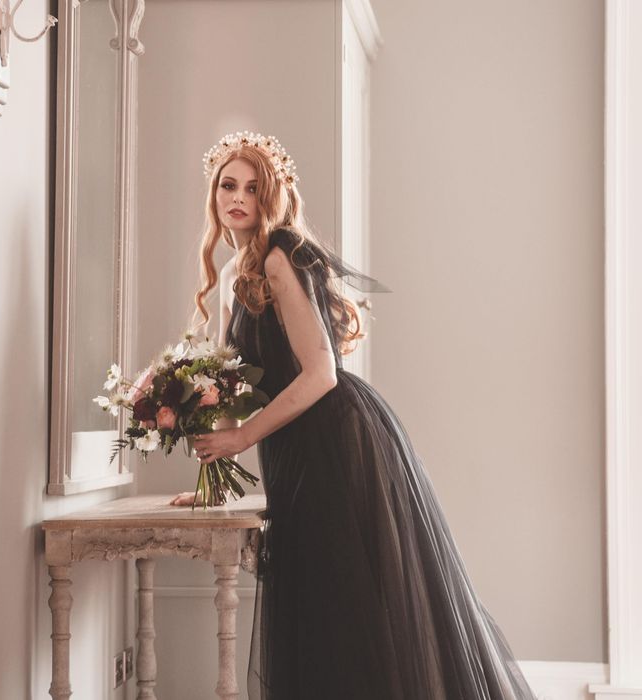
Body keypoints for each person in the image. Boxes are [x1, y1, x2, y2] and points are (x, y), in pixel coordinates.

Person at [170, 131, 538, 700]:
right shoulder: (233, 278)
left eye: (251, 187)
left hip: (334, 440)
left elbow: (320, 373)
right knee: (319, 603)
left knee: (349, 604)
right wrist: (211, 485)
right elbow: (232, 389)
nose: (237, 197)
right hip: (293, 446)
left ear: (271, 196)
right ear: (213, 195)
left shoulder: (278, 256)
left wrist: (242, 437)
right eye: (227, 185)